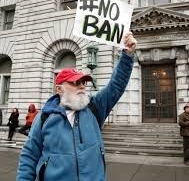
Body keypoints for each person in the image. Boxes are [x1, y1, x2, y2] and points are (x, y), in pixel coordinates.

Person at [16, 32, 137, 181]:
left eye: (83, 82)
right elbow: (29, 156)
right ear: (59, 89)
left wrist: (127, 56)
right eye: (75, 83)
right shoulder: (44, 117)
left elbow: (116, 86)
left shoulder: (94, 108)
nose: (81, 87)